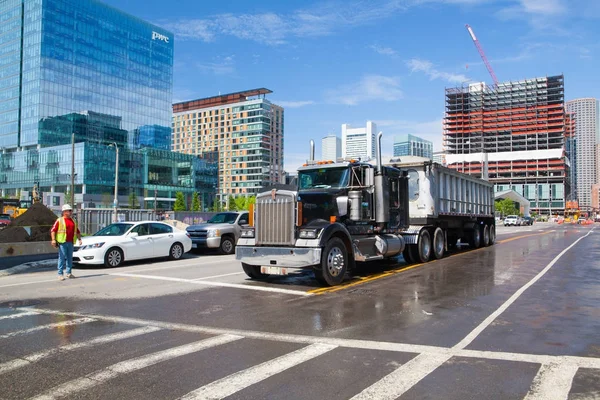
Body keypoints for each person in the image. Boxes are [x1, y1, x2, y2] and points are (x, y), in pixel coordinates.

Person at [50, 204, 82, 281]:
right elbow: (53, 230)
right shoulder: (60, 220)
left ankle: (69, 273)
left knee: (69, 258)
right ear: (64, 212)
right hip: (62, 242)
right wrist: (53, 239)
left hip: (70, 242)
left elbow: (77, 231)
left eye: (71, 211)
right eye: (69, 211)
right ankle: (60, 274)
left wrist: (79, 239)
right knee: (62, 257)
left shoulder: (73, 221)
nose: (71, 212)